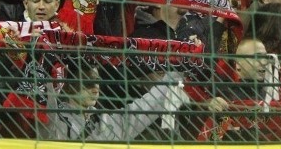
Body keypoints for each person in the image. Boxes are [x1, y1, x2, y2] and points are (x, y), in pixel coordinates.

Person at [36, 59, 188, 141]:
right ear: (68, 86)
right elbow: (43, 94)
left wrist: (182, 65)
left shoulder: (109, 121)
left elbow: (152, 102)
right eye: (88, 82)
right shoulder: (54, 118)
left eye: (98, 81)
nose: (95, 87)